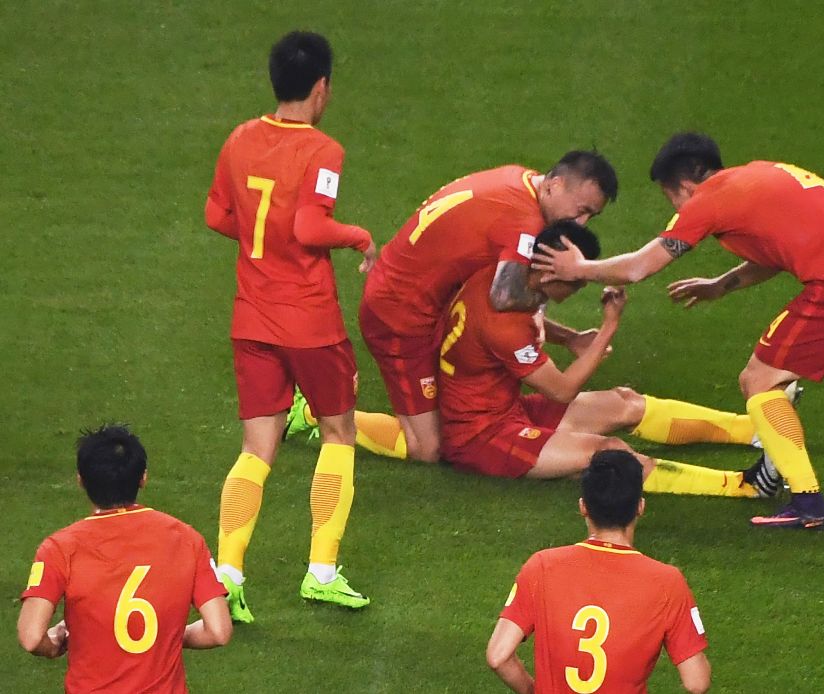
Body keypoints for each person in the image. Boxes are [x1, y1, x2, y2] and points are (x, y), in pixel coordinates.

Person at [532, 132, 824, 529]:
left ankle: (808, 502)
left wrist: (578, 268)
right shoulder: (762, 174)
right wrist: (719, 285)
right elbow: (774, 252)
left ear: (685, 186)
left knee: (758, 381)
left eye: (670, 198)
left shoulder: (708, 199)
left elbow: (640, 266)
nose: (674, 207)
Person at [287, 150, 620, 465]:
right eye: (581, 209)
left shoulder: (519, 179)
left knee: (456, 406)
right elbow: (504, 298)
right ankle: (316, 413)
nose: (582, 222)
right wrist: (565, 285)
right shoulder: (523, 220)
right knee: (428, 447)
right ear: (555, 184)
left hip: (423, 301)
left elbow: (502, 302)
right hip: (400, 319)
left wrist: (569, 337)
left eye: (592, 215)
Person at [204, 30, 375, 620]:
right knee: (338, 432)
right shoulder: (323, 151)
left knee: (256, 449)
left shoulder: (238, 139)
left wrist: (262, 243)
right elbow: (308, 228)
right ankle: (321, 571)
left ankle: (227, 573)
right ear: (321, 87)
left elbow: (217, 214)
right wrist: (357, 236)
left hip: (251, 316)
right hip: (310, 322)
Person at [440, 220, 778, 498]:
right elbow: (561, 390)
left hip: (504, 409)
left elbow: (523, 324)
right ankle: (743, 487)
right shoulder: (505, 326)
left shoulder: (501, 281)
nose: (580, 288)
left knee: (623, 402)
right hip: (483, 438)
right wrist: (609, 326)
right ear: (547, 273)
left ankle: (753, 429)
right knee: (610, 452)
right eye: (576, 280)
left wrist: (571, 337)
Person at [18, 425, 231, 693]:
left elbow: (31, 637)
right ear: (143, 478)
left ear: (81, 479)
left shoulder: (60, 548)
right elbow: (219, 631)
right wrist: (172, 635)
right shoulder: (187, 539)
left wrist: (54, 643)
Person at [487, 449, 712, 694]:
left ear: (583, 507)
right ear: (640, 507)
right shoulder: (667, 582)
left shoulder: (541, 566)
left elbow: (498, 656)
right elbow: (697, 682)